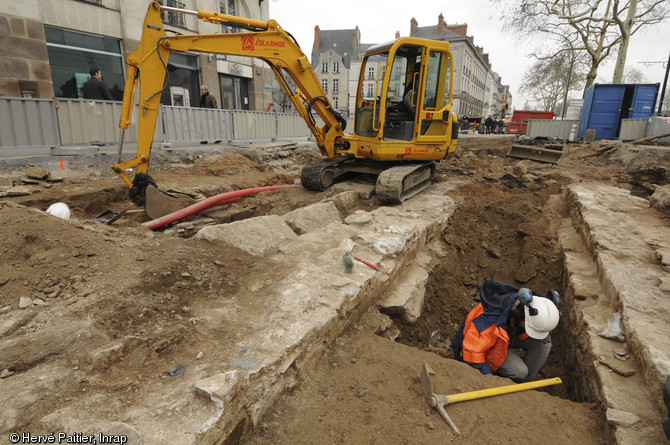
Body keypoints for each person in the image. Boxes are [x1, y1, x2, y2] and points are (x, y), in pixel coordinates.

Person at [451, 279, 561, 383]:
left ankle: (526, 384)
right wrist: (489, 378)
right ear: (523, 316)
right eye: (531, 328)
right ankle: (513, 376)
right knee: (520, 372)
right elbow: (472, 352)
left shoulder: (531, 305)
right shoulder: (490, 321)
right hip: (480, 348)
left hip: (503, 336)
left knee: (543, 341)